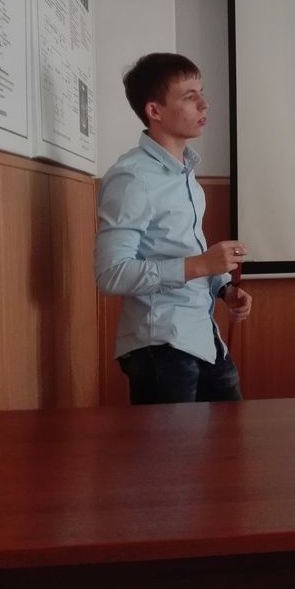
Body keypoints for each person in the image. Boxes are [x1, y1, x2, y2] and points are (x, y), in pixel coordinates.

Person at [94, 52, 252, 404]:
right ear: (155, 111)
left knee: (233, 438)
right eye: (189, 97)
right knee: (173, 445)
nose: (204, 104)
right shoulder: (132, 177)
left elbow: (180, 248)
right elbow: (110, 275)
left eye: (201, 93)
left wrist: (224, 288)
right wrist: (202, 264)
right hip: (161, 347)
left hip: (204, 338)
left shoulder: (185, 175)